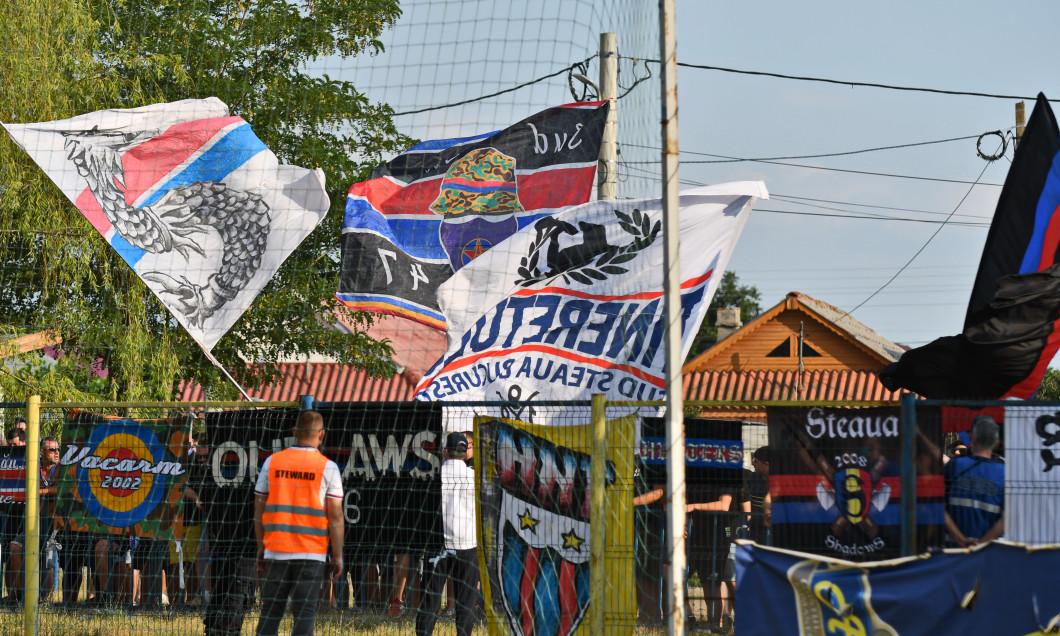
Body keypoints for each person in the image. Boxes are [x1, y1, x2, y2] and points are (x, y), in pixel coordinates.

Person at [254, 410, 344, 636]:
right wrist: (338, 555)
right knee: (305, 614)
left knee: (271, 612)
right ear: (321, 434)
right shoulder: (328, 467)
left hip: (276, 550)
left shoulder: (272, 462)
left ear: (294, 432)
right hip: (311, 553)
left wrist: (261, 546)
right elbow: (335, 517)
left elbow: (258, 509)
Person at [416, 432, 479, 636]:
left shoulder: (434, 477)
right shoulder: (475, 478)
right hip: (467, 543)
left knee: (430, 601)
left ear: (444, 451)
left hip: (438, 544)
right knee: (466, 603)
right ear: (465, 452)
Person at [6, 436, 59, 603]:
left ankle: (44, 600)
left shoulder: (61, 469)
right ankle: (23, 597)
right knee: (15, 547)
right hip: (32, 522)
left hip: (54, 524)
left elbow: (61, 488)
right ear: (42, 452)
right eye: (52, 450)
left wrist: (40, 492)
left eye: (58, 450)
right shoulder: (33, 468)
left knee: (45, 558)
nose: (57, 453)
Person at [944, 415, 1004, 547]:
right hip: (990, 554)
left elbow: (939, 507)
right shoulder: (1004, 474)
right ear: (996, 443)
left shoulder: (954, 466)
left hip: (954, 551)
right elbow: (1006, 518)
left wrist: (960, 539)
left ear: (972, 438)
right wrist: (980, 545)